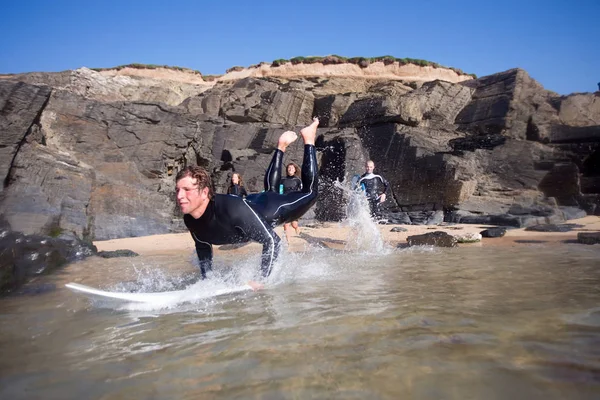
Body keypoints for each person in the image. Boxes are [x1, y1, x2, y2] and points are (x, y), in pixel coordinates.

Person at [176, 118, 319, 288]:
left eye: (186, 190)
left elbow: (273, 241)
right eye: (177, 190)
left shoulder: (231, 209)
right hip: (252, 203)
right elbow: (203, 246)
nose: (180, 196)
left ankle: (309, 139)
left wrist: (262, 279)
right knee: (270, 189)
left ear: (205, 192)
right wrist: (206, 281)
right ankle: (281, 146)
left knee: (310, 193)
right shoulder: (190, 218)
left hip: (271, 209)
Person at [280, 163, 302, 243]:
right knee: (286, 224)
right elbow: (280, 190)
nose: (290, 169)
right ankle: (288, 242)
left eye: (292, 168)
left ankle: (297, 228)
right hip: (285, 203)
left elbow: (301, 191)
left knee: (294, 224)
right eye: (289, 168)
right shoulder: (282, 179)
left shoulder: (298, 180)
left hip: (294, 203)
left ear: (295, 170)